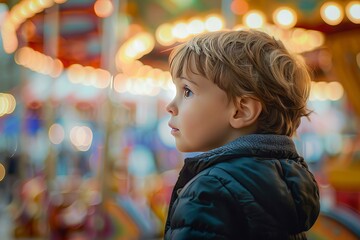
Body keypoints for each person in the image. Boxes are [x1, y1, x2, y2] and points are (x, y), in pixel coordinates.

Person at [164, 29, 320, 239]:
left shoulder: (209, 191)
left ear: (241, 110)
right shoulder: (290, 184)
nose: (170, 106)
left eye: (187, 91)